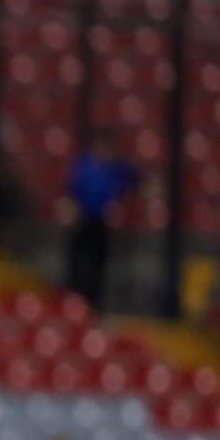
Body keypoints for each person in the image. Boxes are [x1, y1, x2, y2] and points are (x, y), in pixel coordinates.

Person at [65, 127, 137, 309]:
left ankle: (94, 306)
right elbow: (69, 194)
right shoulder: (83, 167)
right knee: (79, 267)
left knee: (98, 268)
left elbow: (135, 183)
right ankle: (75, 304)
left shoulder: (117, 170)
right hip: (82, 224)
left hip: (102, 225)